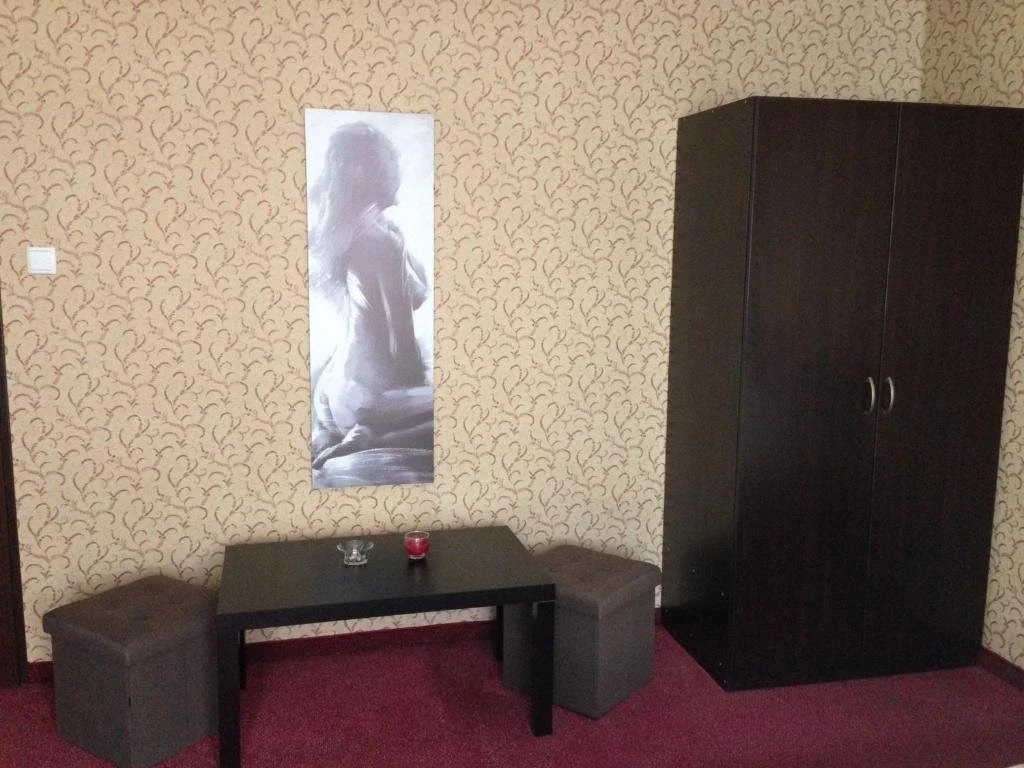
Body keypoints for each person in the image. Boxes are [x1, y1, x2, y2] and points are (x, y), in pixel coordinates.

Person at [308, 122, 432, 472]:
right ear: (374, 170)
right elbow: (402, 344)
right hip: (371, 400)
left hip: (336, 390)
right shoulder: (382, 241)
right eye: (389, 160)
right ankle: (372, 438)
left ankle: (334, 432)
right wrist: (415, 387)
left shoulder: (351, 233)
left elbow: (416, 292)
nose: (397, 168)